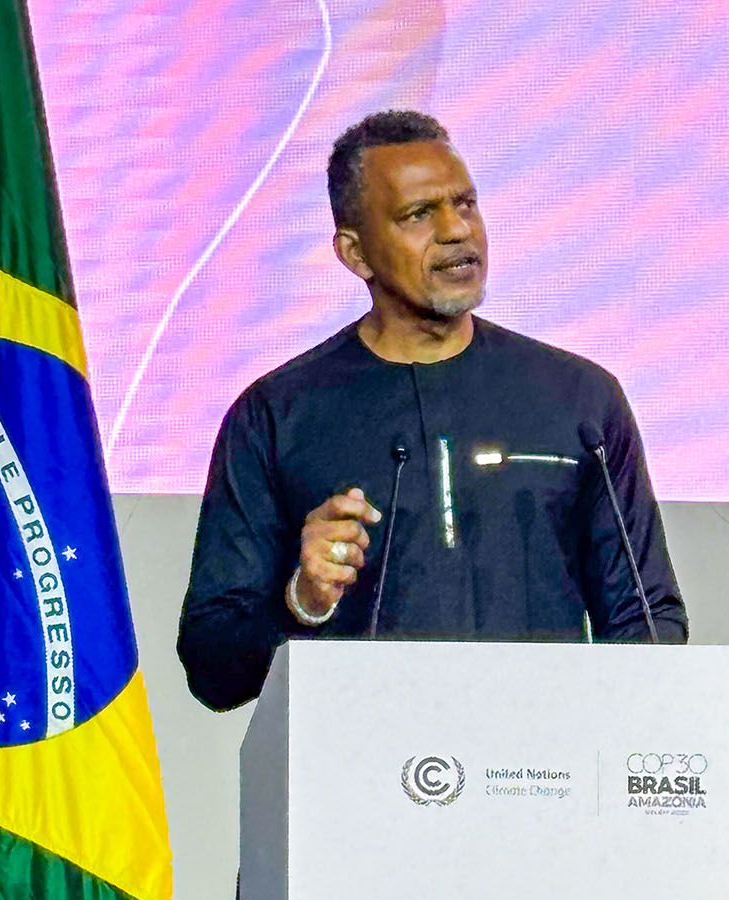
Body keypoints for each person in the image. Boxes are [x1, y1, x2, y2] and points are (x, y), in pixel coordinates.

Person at [177, 110, 687, 712]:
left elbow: (647, 622)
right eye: (419, 214)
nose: (456, 231)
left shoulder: (580, 400)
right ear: (355, 252)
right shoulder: (276, 416)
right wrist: (303, 599)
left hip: (545, 778)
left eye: (465, 205)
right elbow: (213, 670)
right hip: (357, 780)